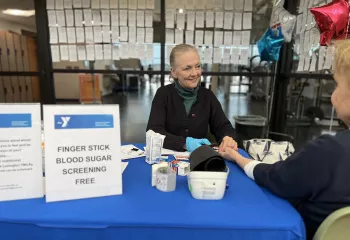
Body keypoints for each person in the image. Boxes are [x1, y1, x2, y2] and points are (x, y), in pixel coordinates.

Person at [219, 39, 350, 240]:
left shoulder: (329, 152)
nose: (333, 94)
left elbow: (276, 178)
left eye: (337, 84)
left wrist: (240, 159)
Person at [146, 44, 237, 152]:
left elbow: (223, 126)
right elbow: (153, 133)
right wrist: (184, 143)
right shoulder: (163, 94)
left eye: (198, 66)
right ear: (174, 72)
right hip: (169, 160)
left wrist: (227, 138)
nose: (195, 73)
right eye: (187, 68)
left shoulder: (208, 96)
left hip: (199, 159)